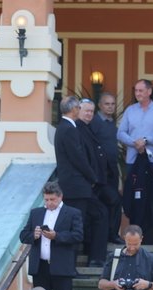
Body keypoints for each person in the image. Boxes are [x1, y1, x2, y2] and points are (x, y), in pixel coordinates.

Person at [19, 182, 83, 290]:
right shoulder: (36, 213)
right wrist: (33, 235)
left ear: (60, 197)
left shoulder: (72, 213)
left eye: (52, 200)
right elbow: (23, 235)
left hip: (62, 267)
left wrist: (57, 236)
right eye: (46, 200)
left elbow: (78, 236)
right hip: (40, 267)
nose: (48, 203)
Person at [54, 95, 106, 266]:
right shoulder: (69, 129)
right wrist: (92, 177)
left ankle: (92, 259)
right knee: (76, 226)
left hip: (75, 186)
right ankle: (72, 265)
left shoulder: (65, 127)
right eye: (78, 108)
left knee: (97, 215)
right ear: (73, 109)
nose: (79, 110)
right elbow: (78, 157)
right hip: (76, 186)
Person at [117, 79, 153, 245]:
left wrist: (146, 140)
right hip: (133, 161)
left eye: (141, 90)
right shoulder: (130, 111)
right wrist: (135, 143)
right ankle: (135, 237)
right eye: (136, 91)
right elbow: (120, 133)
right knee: (135, 198)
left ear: (149, 91)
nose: (137, 93)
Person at [78, 98, 113, 265]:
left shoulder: (89, 127)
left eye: (91, 111)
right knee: (99, 215)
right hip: (86, 183)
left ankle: (95, 254)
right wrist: (92, 178)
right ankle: (96, 258)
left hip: (96, 182)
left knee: (107, 207)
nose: (89, 114)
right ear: (78, 110)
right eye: (86, 110)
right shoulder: (76, 128)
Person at [90, 91, 123, 244]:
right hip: (99, 172)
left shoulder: (112, 123)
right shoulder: (94, 122)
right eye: (107, 104)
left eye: (112, 104)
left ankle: (111, 234)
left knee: (113, 202)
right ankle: (109, 235)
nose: (110, 107)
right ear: (99, 105)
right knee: (112, 201)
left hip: (112, 170)